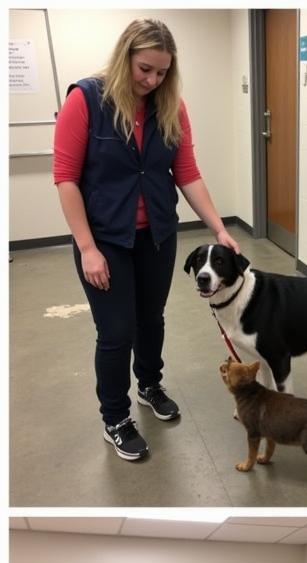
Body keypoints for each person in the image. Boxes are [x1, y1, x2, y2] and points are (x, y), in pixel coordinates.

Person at [53, 18, 241, 461]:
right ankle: (115, 417)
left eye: (161, 73)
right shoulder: (86, 100)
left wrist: (218, 227)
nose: (152, 80)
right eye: (144, 70)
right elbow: (65, 178)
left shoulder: (171, 107)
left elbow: (187, 173)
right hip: (105, 240)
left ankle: (150, 385)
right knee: (116, 332)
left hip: (156, 234)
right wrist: (87, 248)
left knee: (150, 318)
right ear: (125, 58)